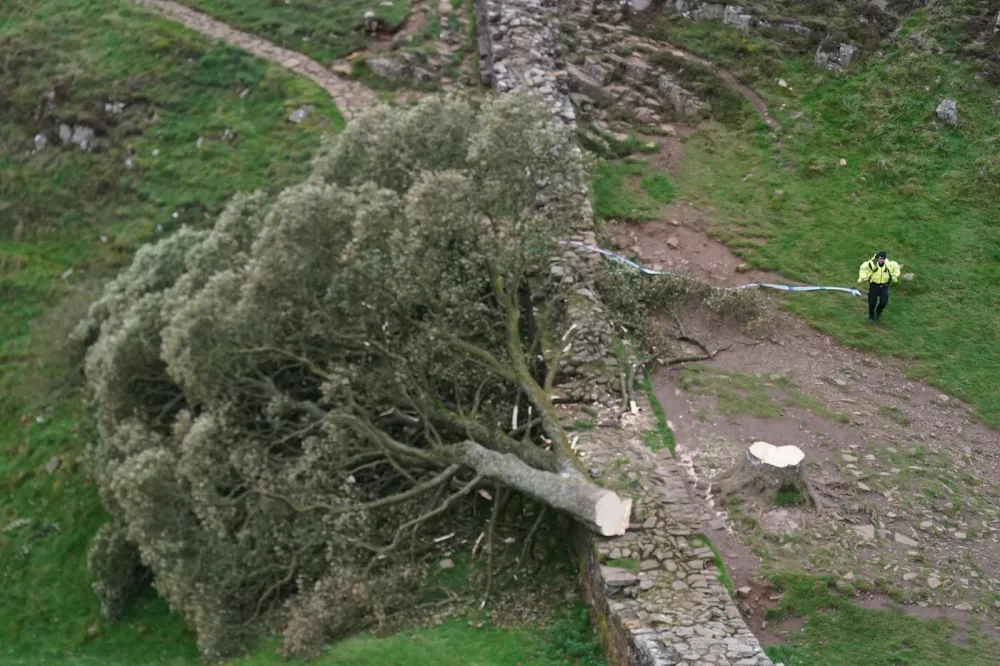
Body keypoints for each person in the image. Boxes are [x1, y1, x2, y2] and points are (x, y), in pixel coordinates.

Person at [858, 250, 900, 323]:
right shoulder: (872, 264)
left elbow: (896, 268)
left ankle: (878, 312)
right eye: (880, 258)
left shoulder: (889, 265)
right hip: (874, 285)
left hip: (884, 286)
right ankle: (871, 316)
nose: (881, 260)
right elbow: (863, 268)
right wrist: (863, 277)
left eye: (882, 259)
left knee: (884, 302)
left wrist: (895, 277)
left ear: (884, 259)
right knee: (872, 302)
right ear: (877, 258)